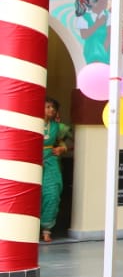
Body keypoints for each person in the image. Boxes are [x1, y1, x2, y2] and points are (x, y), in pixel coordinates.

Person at [40, 97, 70, 242]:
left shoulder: (58, 127)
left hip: (51, 161)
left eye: (53, 107)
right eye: (48, 107)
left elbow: (67, 143)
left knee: (52, 193)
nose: (51, 109)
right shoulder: (30, 123)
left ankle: (46, 229)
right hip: (31, 161)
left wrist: (61, 149)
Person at [74, 0, 110, 65]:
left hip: (105, 55)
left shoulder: (108, 16)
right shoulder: (84, 17)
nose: (106, 0)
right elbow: (84, 35)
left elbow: (109, 36)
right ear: (92, 2)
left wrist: (103, 52)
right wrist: (97, 24)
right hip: (90, 54)